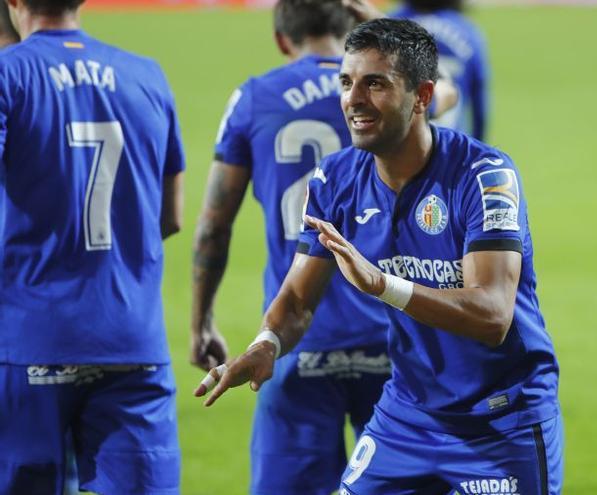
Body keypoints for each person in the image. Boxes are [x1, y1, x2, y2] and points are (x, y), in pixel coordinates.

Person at [196, 18, 562, 495]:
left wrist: (382, 285)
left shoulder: (484, 176)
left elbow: (492, 314)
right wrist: (267, 343)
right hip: (406, 416)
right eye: (347, 82)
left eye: (375, 84)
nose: (353, 99)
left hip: (500, 421)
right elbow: (298, 301)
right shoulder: (335, 179)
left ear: (423, 96)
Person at [191, 1, 422, 493]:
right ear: (349, 29)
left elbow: (214, 223)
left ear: (281, 38)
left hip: (293, 339)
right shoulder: (390, 94)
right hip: (391, 339)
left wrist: (202, 320)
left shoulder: (255, 98)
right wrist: (376, 22)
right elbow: (443, 89)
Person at [0, 0, 185, 493]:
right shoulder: (147, 74)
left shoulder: (7, 73)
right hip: (133, 340)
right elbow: (171, 217)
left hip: (28, 340)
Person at [392, 0, 489, 140]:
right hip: (452, 148)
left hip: (398, 148)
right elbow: (480, 106)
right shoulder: (468, 32)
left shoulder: (390, 24)